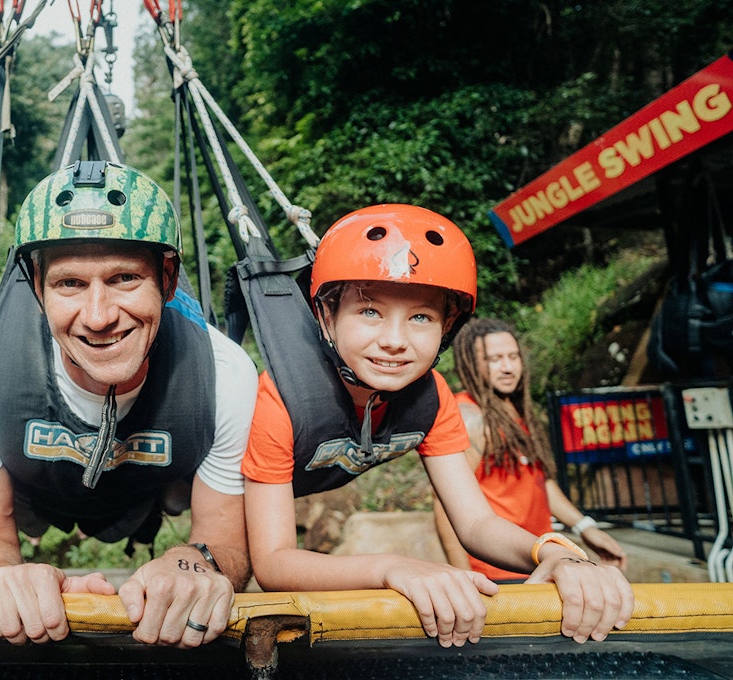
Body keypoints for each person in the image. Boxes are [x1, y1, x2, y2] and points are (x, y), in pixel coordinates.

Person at [242, 204, 635, 648]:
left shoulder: (432, 398)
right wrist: (392, 567)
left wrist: (554, 552)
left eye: (421, 318)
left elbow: (477, 525)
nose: (394, 340)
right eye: (369, 312)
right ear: (326, 317)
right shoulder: (279, 396)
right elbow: (273, 563)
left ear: (447, 327)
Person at [0, 160, 257, 648]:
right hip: (32, 493)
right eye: (70, 284)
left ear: (168, 280)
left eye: (124, 279)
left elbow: (227, 541)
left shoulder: (224, 373)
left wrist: (191, 565)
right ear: (38, 290)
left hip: (145, 497)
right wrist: (3, 575)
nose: (99, 317)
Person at [433, 316, 628, 581]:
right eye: (495, 359)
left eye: (513, 357)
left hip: (538, 561)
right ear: (471, 363)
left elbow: (539, 482)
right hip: (495, 573)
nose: (507, 367)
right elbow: (445, 506)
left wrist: (585, 527)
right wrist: (465, 580)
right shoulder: (469, 417)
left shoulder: (513, 412)